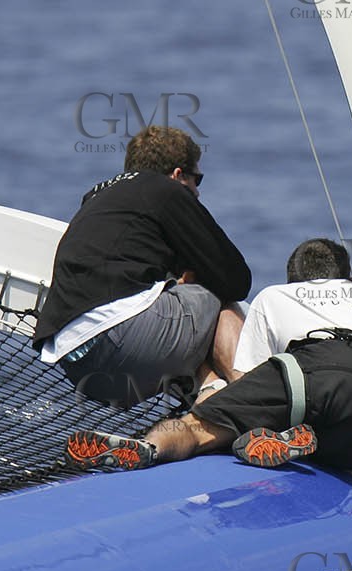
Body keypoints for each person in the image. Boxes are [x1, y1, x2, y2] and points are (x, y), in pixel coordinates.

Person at [63, 238, 352, 472]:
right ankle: (302, 438)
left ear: (292, 280)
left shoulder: (275, 297)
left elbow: (247, 381)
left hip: (314, 367)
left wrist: (223, 406)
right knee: (339, 442)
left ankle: (148, 448)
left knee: (200, 427)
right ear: (348, 277)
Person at [33, 125, 251, 409]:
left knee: (178, 296)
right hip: (124, 341)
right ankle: (252, 401)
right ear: (177, 175)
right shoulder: (165, 190)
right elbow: (236, 279)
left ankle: (210, 392)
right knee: (218, 289)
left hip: (80, 366)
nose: (197, 191)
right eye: (197, 179)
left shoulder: (98, 199)